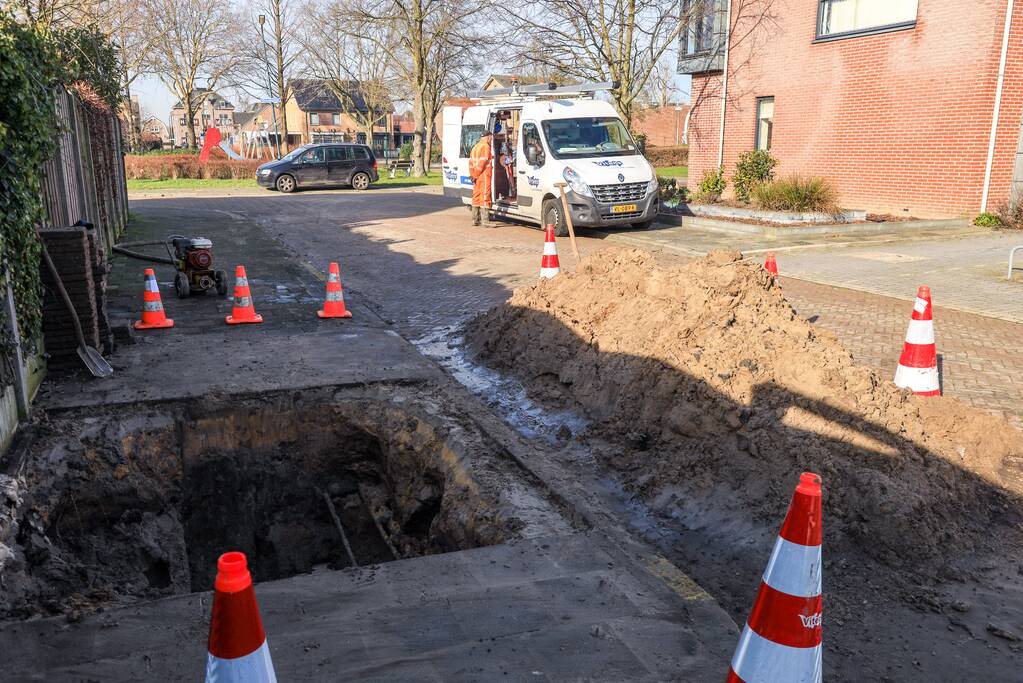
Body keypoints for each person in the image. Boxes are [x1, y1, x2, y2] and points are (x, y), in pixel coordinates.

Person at [469, 131, 494, 227]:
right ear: (488, 137)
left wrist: (473, 175)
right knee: (484, 196)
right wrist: (476, 175)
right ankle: (485, 221)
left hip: (476, 177)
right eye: (491, 138)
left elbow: (471, 163)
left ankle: (475, 220)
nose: (491, 140)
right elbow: (482, 163)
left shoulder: (475, 147)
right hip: (484, 176)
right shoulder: (485, 147)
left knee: (476, 197)